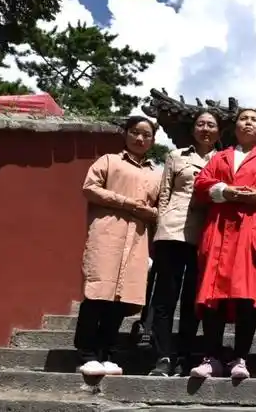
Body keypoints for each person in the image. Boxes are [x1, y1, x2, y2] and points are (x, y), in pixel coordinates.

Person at [189, 108, 256, 379]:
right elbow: (201, 184)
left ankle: (240, 357)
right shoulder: (219, 157)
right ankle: (211, 357)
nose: (248, 122)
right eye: (243, 119)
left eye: (254, 119)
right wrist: (225, 190)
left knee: (247, 297)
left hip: (252, 230)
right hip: (221, 230)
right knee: (214, 297)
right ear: (234, 128)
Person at [75, 116, 161, 376]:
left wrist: (150, 212)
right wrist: (127, 204)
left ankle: (108, 352)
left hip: (136, 241)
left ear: (153, 141)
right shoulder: (109, 161)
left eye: (146, 135)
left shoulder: (156, 174)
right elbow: (90, 188)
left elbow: (158, 208)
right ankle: (86, 353)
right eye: (135, 132)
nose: (140, 138)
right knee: (96, 295)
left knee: (121, 301)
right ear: (126, 134)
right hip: (107, 236)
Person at [148, 110, 220, 376]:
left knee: (194, 299)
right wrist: (159, 228)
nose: (205, 129)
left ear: (218, 132)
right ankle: (163, 355)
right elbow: (164, 193)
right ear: (193, 130)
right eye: (200, 124)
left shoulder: (223, 160)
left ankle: (187, 355)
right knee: (165, 297)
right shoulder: (176, 156)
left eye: (211, 125)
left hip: (205, 233)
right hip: (173, 230)